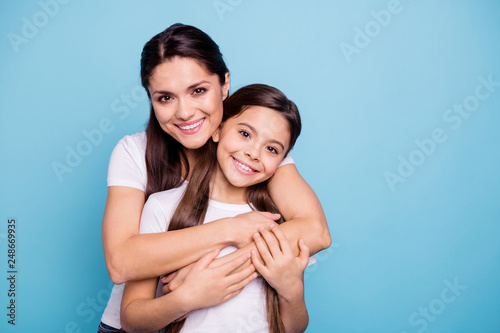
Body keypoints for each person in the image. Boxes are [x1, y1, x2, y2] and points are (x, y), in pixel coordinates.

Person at [99, 23, 331, 332]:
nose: (184, 112)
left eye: (198, 90)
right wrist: (231, 231)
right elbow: (121, 262)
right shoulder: (134, 153)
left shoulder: (253, 150)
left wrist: (214, 273)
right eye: (165, 98)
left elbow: (315, 231)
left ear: (224, 85)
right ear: (151, 99)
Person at [121, 84, 311, 333]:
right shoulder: (162, 207)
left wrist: (293, 292)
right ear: (218, 130)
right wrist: (185, 298)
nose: (254, 153)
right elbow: (131, 319)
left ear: (282, 161)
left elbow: (293, 328)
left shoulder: (281, 222)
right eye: (245, 134)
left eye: (272, 149)